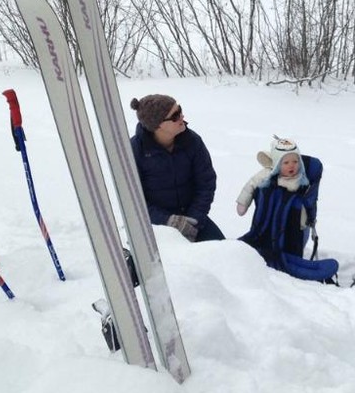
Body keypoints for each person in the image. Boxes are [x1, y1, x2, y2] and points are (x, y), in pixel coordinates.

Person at [237, 136, 338, 283]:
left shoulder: (301, 180)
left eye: (295, 162)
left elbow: (307, 202)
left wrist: (308, 218)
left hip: (294, 231)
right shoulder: (267, 175)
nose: (292, 166)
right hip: (265, 230)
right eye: (286, 163)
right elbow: (251, 185)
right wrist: (242, 203)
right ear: (277, 164)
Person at [129, 94, 224, 242]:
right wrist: (167, 221)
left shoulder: (192, 141)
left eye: (179, 110)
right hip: (155, 224)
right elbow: (133, 199)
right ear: (157, 125)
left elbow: (206, 183)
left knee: (223, 250)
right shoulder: (135, 150)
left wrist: (194, 218)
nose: (182, 116)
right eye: (175, 116)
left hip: (193, 217)